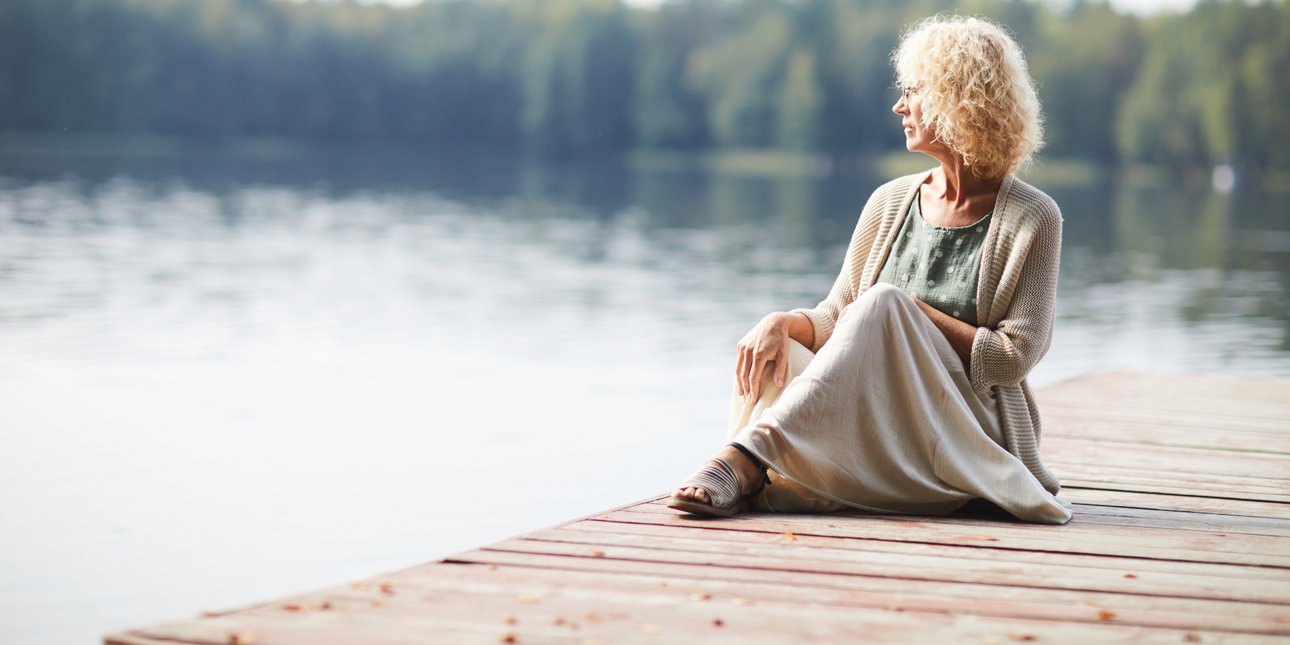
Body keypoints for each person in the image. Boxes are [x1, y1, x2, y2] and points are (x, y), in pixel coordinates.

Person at [668, 14, 1072, 525]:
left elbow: (1012, 359)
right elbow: (840, 316)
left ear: (956, 100)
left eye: (913, 91)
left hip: (965, 428)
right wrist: (781, 322)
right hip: (886, 420)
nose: (899, 106)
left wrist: (909, 314)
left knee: (883, 303)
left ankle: (745, 460)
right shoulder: (889, 201)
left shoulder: (1033, 217)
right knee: (778, 353)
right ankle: (773, 465)